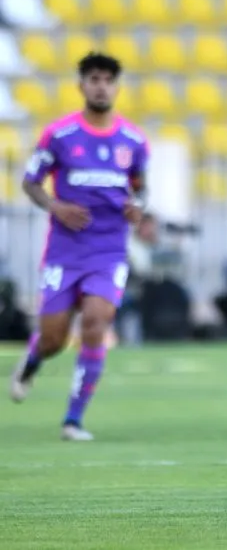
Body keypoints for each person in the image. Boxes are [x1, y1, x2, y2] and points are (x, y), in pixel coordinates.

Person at [10, 52, 149, 441]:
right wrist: (54, 205)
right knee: (54, 337)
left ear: (117, 86)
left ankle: (73, 419)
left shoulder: (133, 141)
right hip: (65, 249)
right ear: (81, 85)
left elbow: (140, 187)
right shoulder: (59, 135)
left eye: (107, 79)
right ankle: (34, 359)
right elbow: (31, 182)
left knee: (95, 322)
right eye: (94, 79)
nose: (101, 86)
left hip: (108, 250)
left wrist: (138, 208)